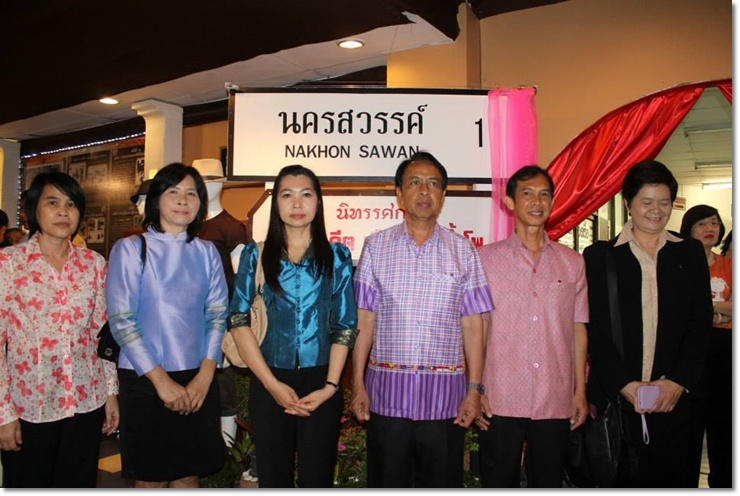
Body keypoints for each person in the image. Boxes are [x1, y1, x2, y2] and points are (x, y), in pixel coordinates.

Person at [351, 151, 494, 488]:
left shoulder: (464, 251)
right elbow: (364, 320)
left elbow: (474, 325)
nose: (424, 190)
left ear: (443, 196)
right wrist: (357, 383)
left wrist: (474, 389)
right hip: (387, 400)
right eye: (414, 183)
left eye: (433, 184)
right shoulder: (375, 247)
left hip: (445, 404)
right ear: (399, 194)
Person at [582, 160, 712, 488]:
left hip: (675, 400)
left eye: (664, 202)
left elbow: (699, 324)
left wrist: (678, 382)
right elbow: (595, 328)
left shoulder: (690, 253)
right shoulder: (600, 257)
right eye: (647, 202)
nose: (656, 211)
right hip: (618, 402)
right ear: (628, 202)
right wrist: (624, 384)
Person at [229, 164, 358, 488]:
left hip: (322, 380)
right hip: (268, 377)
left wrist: (330, 387)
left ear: (318, 202)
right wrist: (272, 385)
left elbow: (344, 325)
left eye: (306, 195)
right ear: (276, 203)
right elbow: (238, 320)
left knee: (318, 478)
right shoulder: (255, 254)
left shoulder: (336, 256)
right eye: (287, 195)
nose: (297, 204)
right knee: (274, 478)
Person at [106, 162, 228, 488]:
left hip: (198, 376)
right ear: (157, 198)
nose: (183, 200)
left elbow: (217, 315)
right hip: (145, 377)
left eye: (192, 193)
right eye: (173, 191)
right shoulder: (130, 249)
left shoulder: (207, 252)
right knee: (151, 479)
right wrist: (161, 382)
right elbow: (122, 320)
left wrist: (205, 376)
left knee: (190, 475)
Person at [0, 171, 118, 487]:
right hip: (29, 405)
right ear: (33, 209)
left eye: (71, 204)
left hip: (86, 400)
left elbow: (101, 333)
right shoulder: (9, 263)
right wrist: (3, 413)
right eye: (53, 203)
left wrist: (110, 393)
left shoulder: (94, 264)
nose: (63, 212)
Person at [476, 165, 589, 488]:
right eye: (527, 193)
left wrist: (579, 392)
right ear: (510, 202)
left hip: (555, 394)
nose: (537, 201)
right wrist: (475, 387)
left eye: (544, 194)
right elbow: (478, 327)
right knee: (498, 482)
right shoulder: (485, 259)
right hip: (499, 395)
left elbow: (578, 328)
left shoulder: (572, 262)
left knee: (548, 481)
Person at [192, 158, 249, 450]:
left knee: (224, 386)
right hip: (189, 321)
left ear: (221, 184)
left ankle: (226, 454)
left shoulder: (231, 227)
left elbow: (240, 282)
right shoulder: (187, 225)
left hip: (220, 320)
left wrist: (232, 327)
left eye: (210, 181)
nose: (205, 187)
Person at [680, 205, 731, 488]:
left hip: (726, 351)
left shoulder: (729, 264)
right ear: (688, 229)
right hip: (692, 352)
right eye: (701, 223)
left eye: (714, 223)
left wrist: (706, 309)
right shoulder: (679, 265)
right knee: (690, 425)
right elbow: (681, 310)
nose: (709, 228)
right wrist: (720, 311)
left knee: (724, 425)